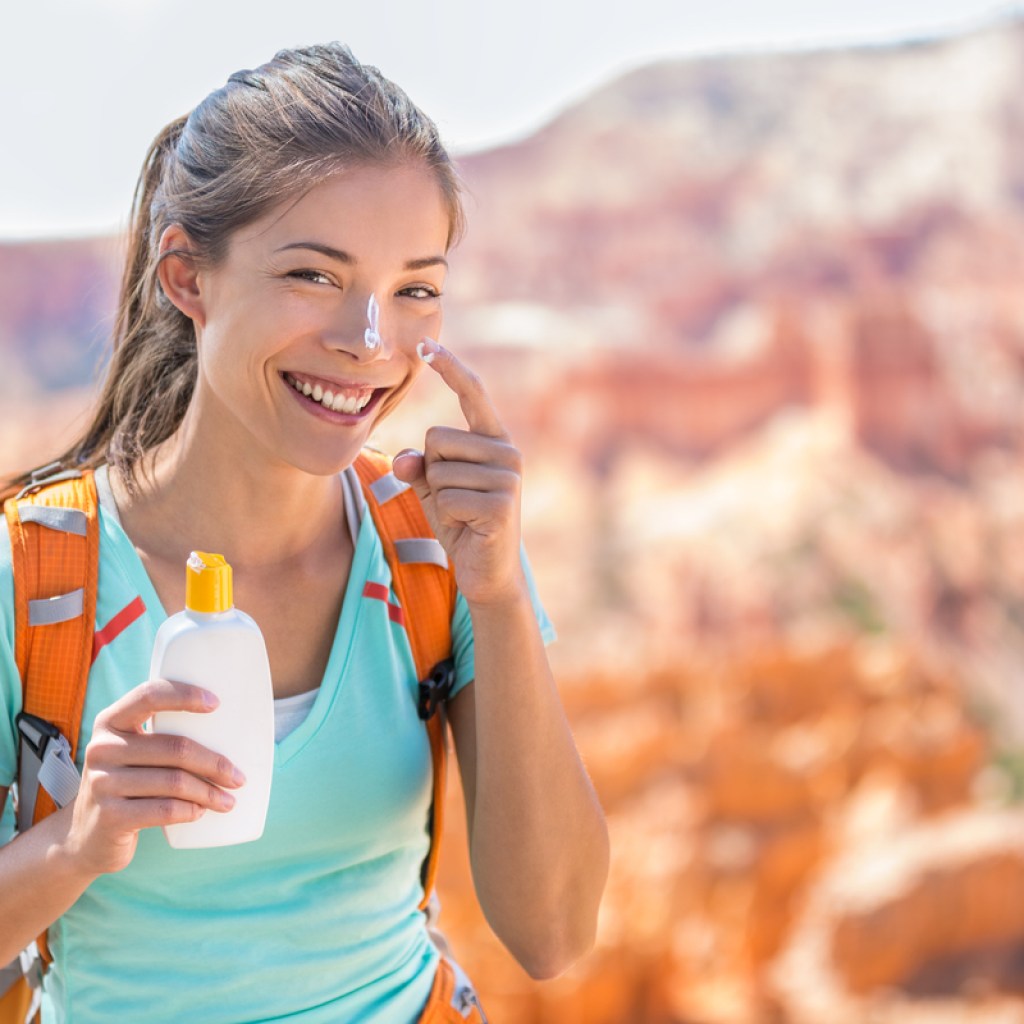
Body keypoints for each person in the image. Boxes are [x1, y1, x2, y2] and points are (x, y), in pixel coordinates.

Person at [0, 43, 609, 1023]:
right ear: (186, 275)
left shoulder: (436, 552)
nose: (368, 340)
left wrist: (494, 594)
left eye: (414, 288)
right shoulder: (29, 575)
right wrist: (71, 846)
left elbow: (553, 931)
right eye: (314, 275)